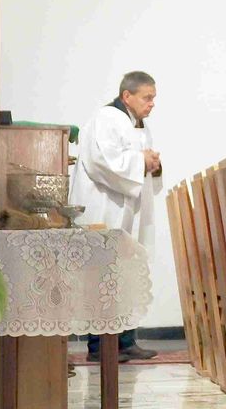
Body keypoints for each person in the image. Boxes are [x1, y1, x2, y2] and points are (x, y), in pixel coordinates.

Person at [69, 71, 161, 361]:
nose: (152, 103)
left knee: (125, 276)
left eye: (153, 98)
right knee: (101, 276)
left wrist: (153, 165)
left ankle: (125, 339)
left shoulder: (138, 125)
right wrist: (141, 161)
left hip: (125, 211)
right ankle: (99, 346)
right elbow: (102, 162)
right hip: (103, 208)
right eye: (147, 97)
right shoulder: (107, 118)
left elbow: (138, 164)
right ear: (127, 96)